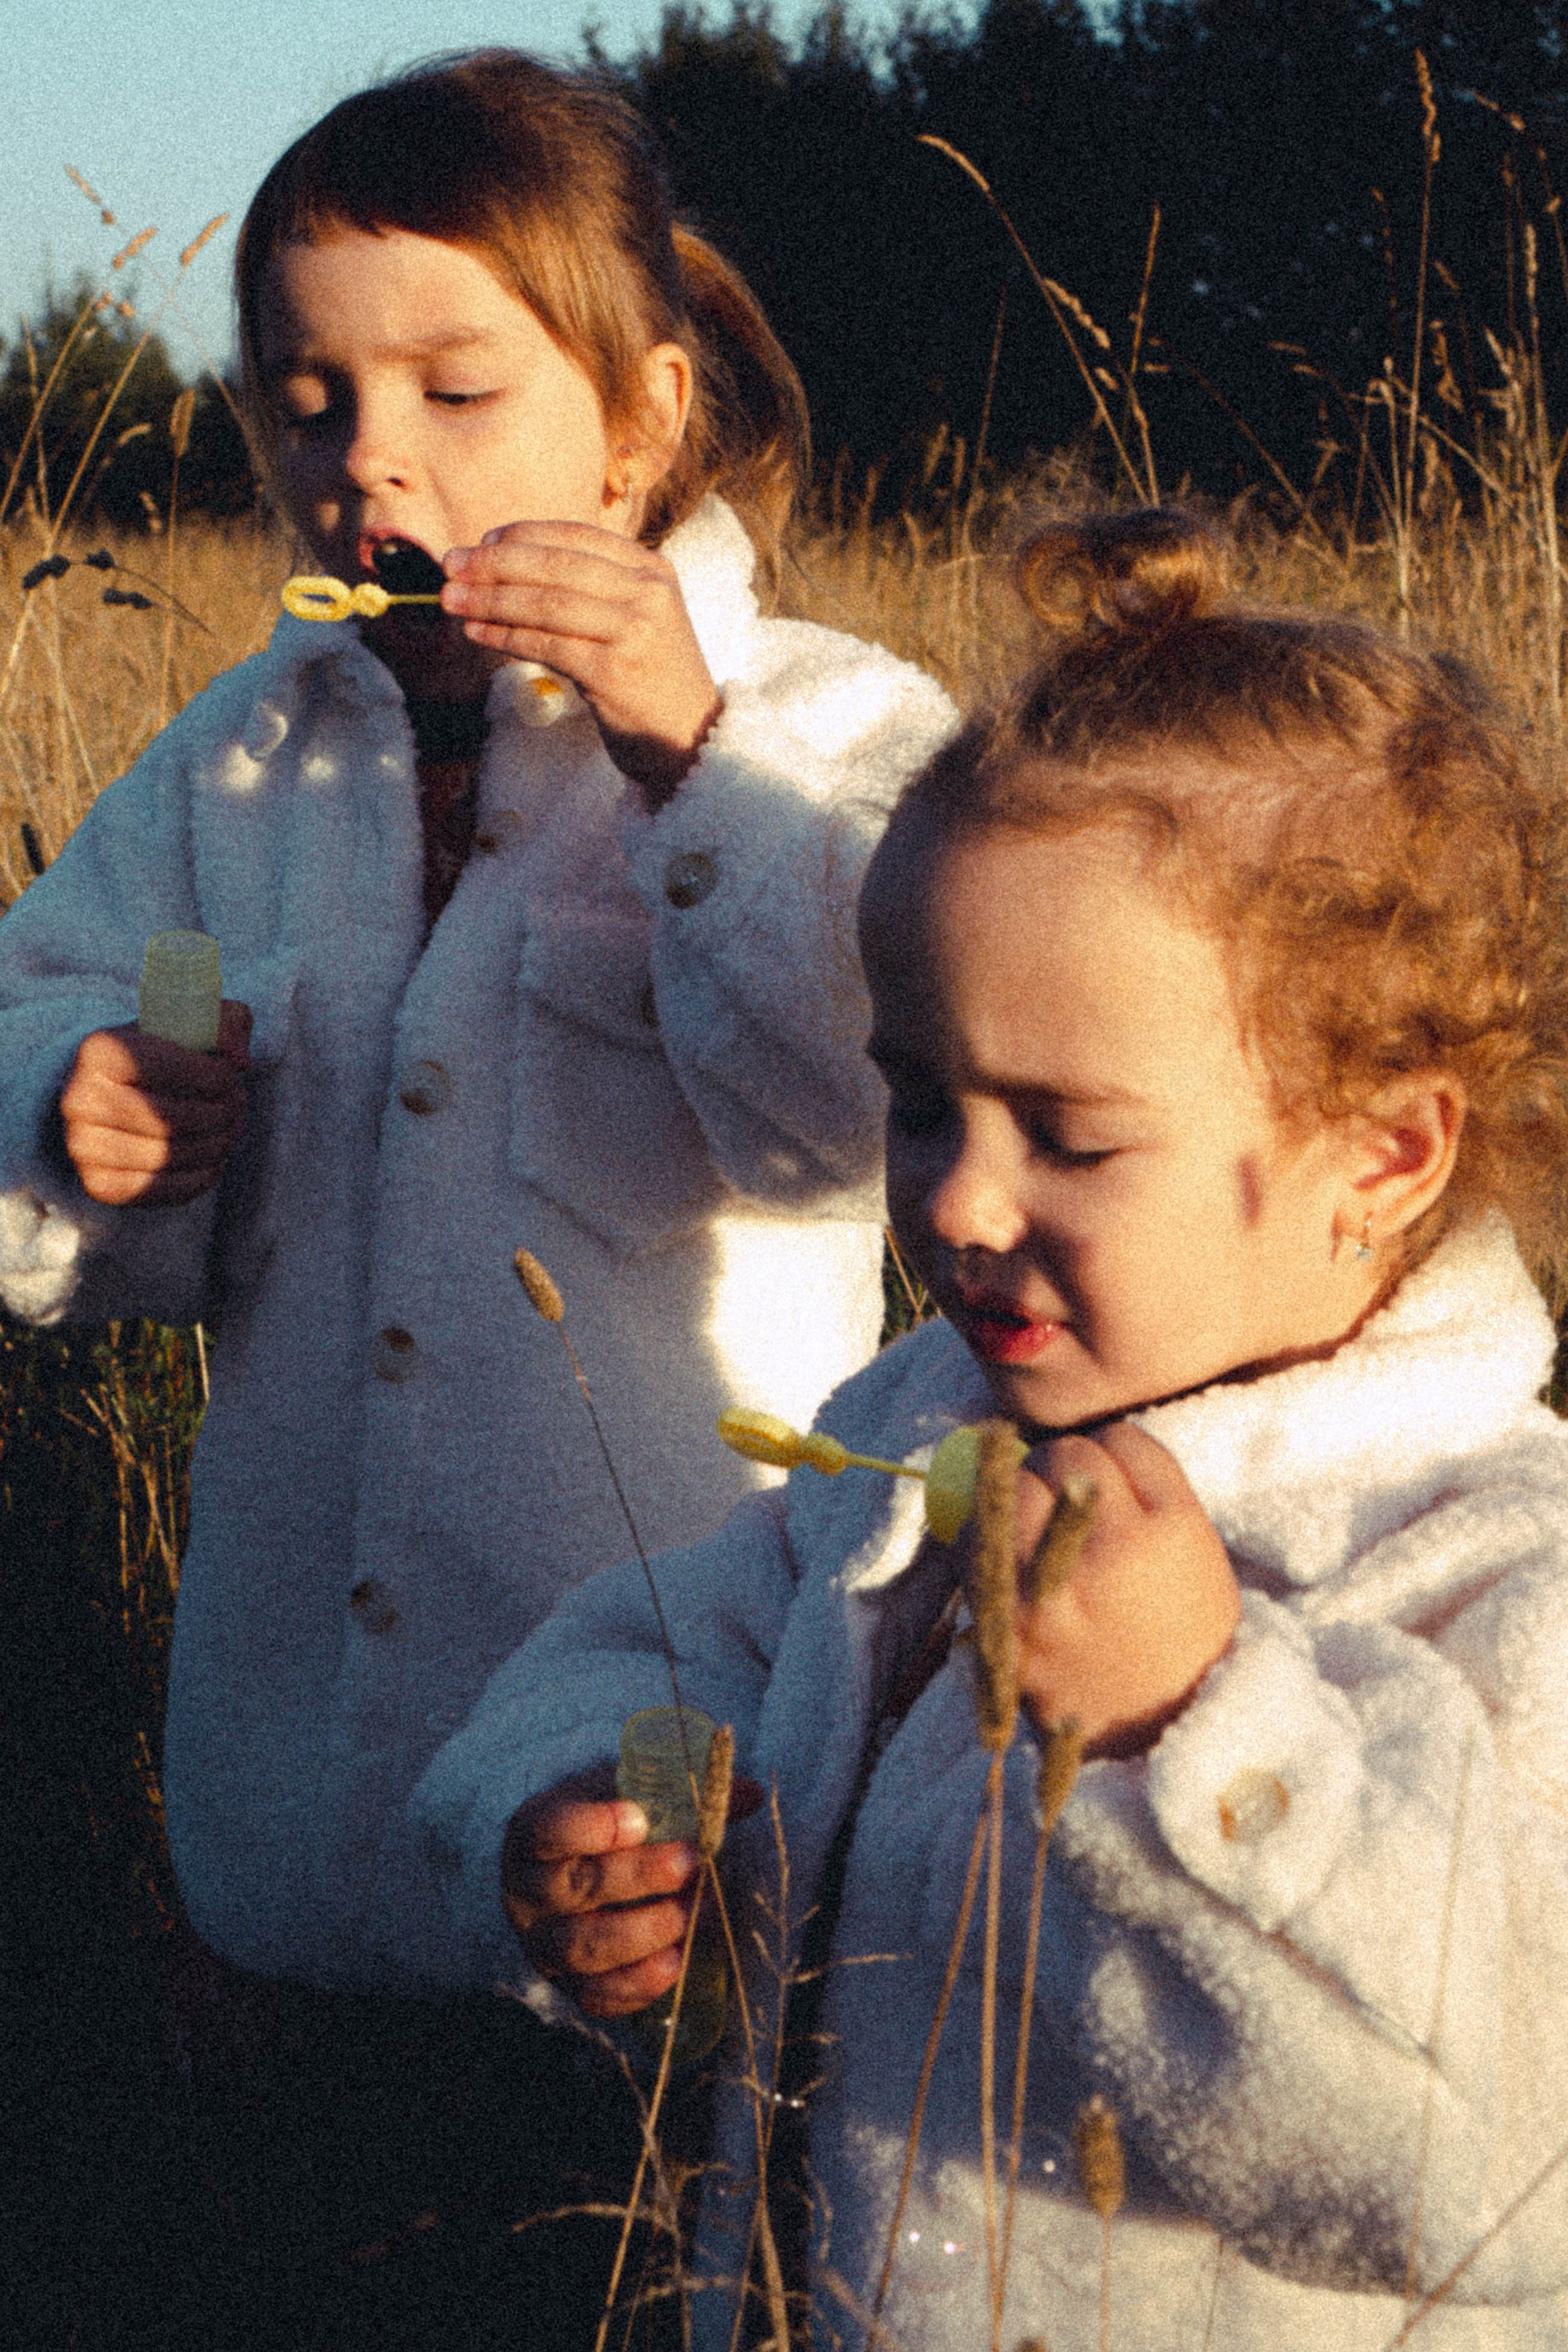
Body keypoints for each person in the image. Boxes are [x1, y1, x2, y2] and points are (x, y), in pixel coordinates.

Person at [0, 48, 954, 2344]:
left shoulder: (819, 724)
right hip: (290, 1802)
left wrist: (681, 753)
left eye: (455, 385)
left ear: (636, 421)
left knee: (625, 2226)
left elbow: (867, 1105)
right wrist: (80, 1117)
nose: (375, 456)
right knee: (300, 2256)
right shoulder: (238, 756)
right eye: (309, 397)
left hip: (659, 1731)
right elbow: (49, 1015)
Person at [417, 509, 1568, 2350]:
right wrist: (588, 1804)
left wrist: (1185, 1724)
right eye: (923, 1102)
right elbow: (666, 1643)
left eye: (1070, 1134)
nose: (956, 1200)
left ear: (1388, 1151)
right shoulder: (920, 1431)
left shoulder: (1485, 1566)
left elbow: (1497, 2159)